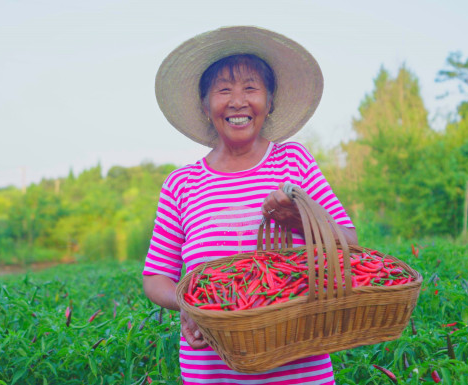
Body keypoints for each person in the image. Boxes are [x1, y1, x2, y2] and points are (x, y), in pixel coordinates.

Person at [143, 26, 358, 384]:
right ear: (205, 104)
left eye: (251, 88)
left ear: (269, 101)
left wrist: (297, 222)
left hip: (299, 368)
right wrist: (188, 305)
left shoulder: (293, 163)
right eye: (223, 90)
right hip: (212, 370)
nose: (238, 101)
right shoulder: (181, 184)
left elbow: (349, 242)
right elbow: (156, 277)